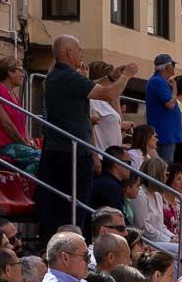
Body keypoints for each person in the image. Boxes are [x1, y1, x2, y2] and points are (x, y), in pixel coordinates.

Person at [36, 36, 136, 240]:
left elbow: (89, 85)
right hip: (70, 153)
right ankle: (69, 244)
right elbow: (108, 94)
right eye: (79, 50)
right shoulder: (68, 77)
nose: (82, 55)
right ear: (69, 53)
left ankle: (63, 243)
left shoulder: (58, 77)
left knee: (64, 204)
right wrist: (126, 76)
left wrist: (111, 76)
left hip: (61, 150)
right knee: (74, 206)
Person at [0, 56, 41, 175]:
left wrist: (28, 141)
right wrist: (23, 143)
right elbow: (6, 124)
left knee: (39, 160)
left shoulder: (15, 96)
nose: (23, 75)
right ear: (10, 71)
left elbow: (22, 123)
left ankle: (22, 187)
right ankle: (23, 186)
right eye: (20, 70)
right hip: (0, 146)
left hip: (16, 144)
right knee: (42, 157)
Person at [146, 55, 182, 163]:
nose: (174, 67)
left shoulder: (160, 81)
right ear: (167, 67)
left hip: (167, 132)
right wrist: (175, 90)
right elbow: (170, 104)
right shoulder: (158, 81)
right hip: (165, 133)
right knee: (165, 166)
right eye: (173, 65)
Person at [88, 61, 131, 152]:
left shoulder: (108, 102)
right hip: (101, 154)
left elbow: (120, 132)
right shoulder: (92, 101)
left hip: (113, 154)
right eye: (110, 78)